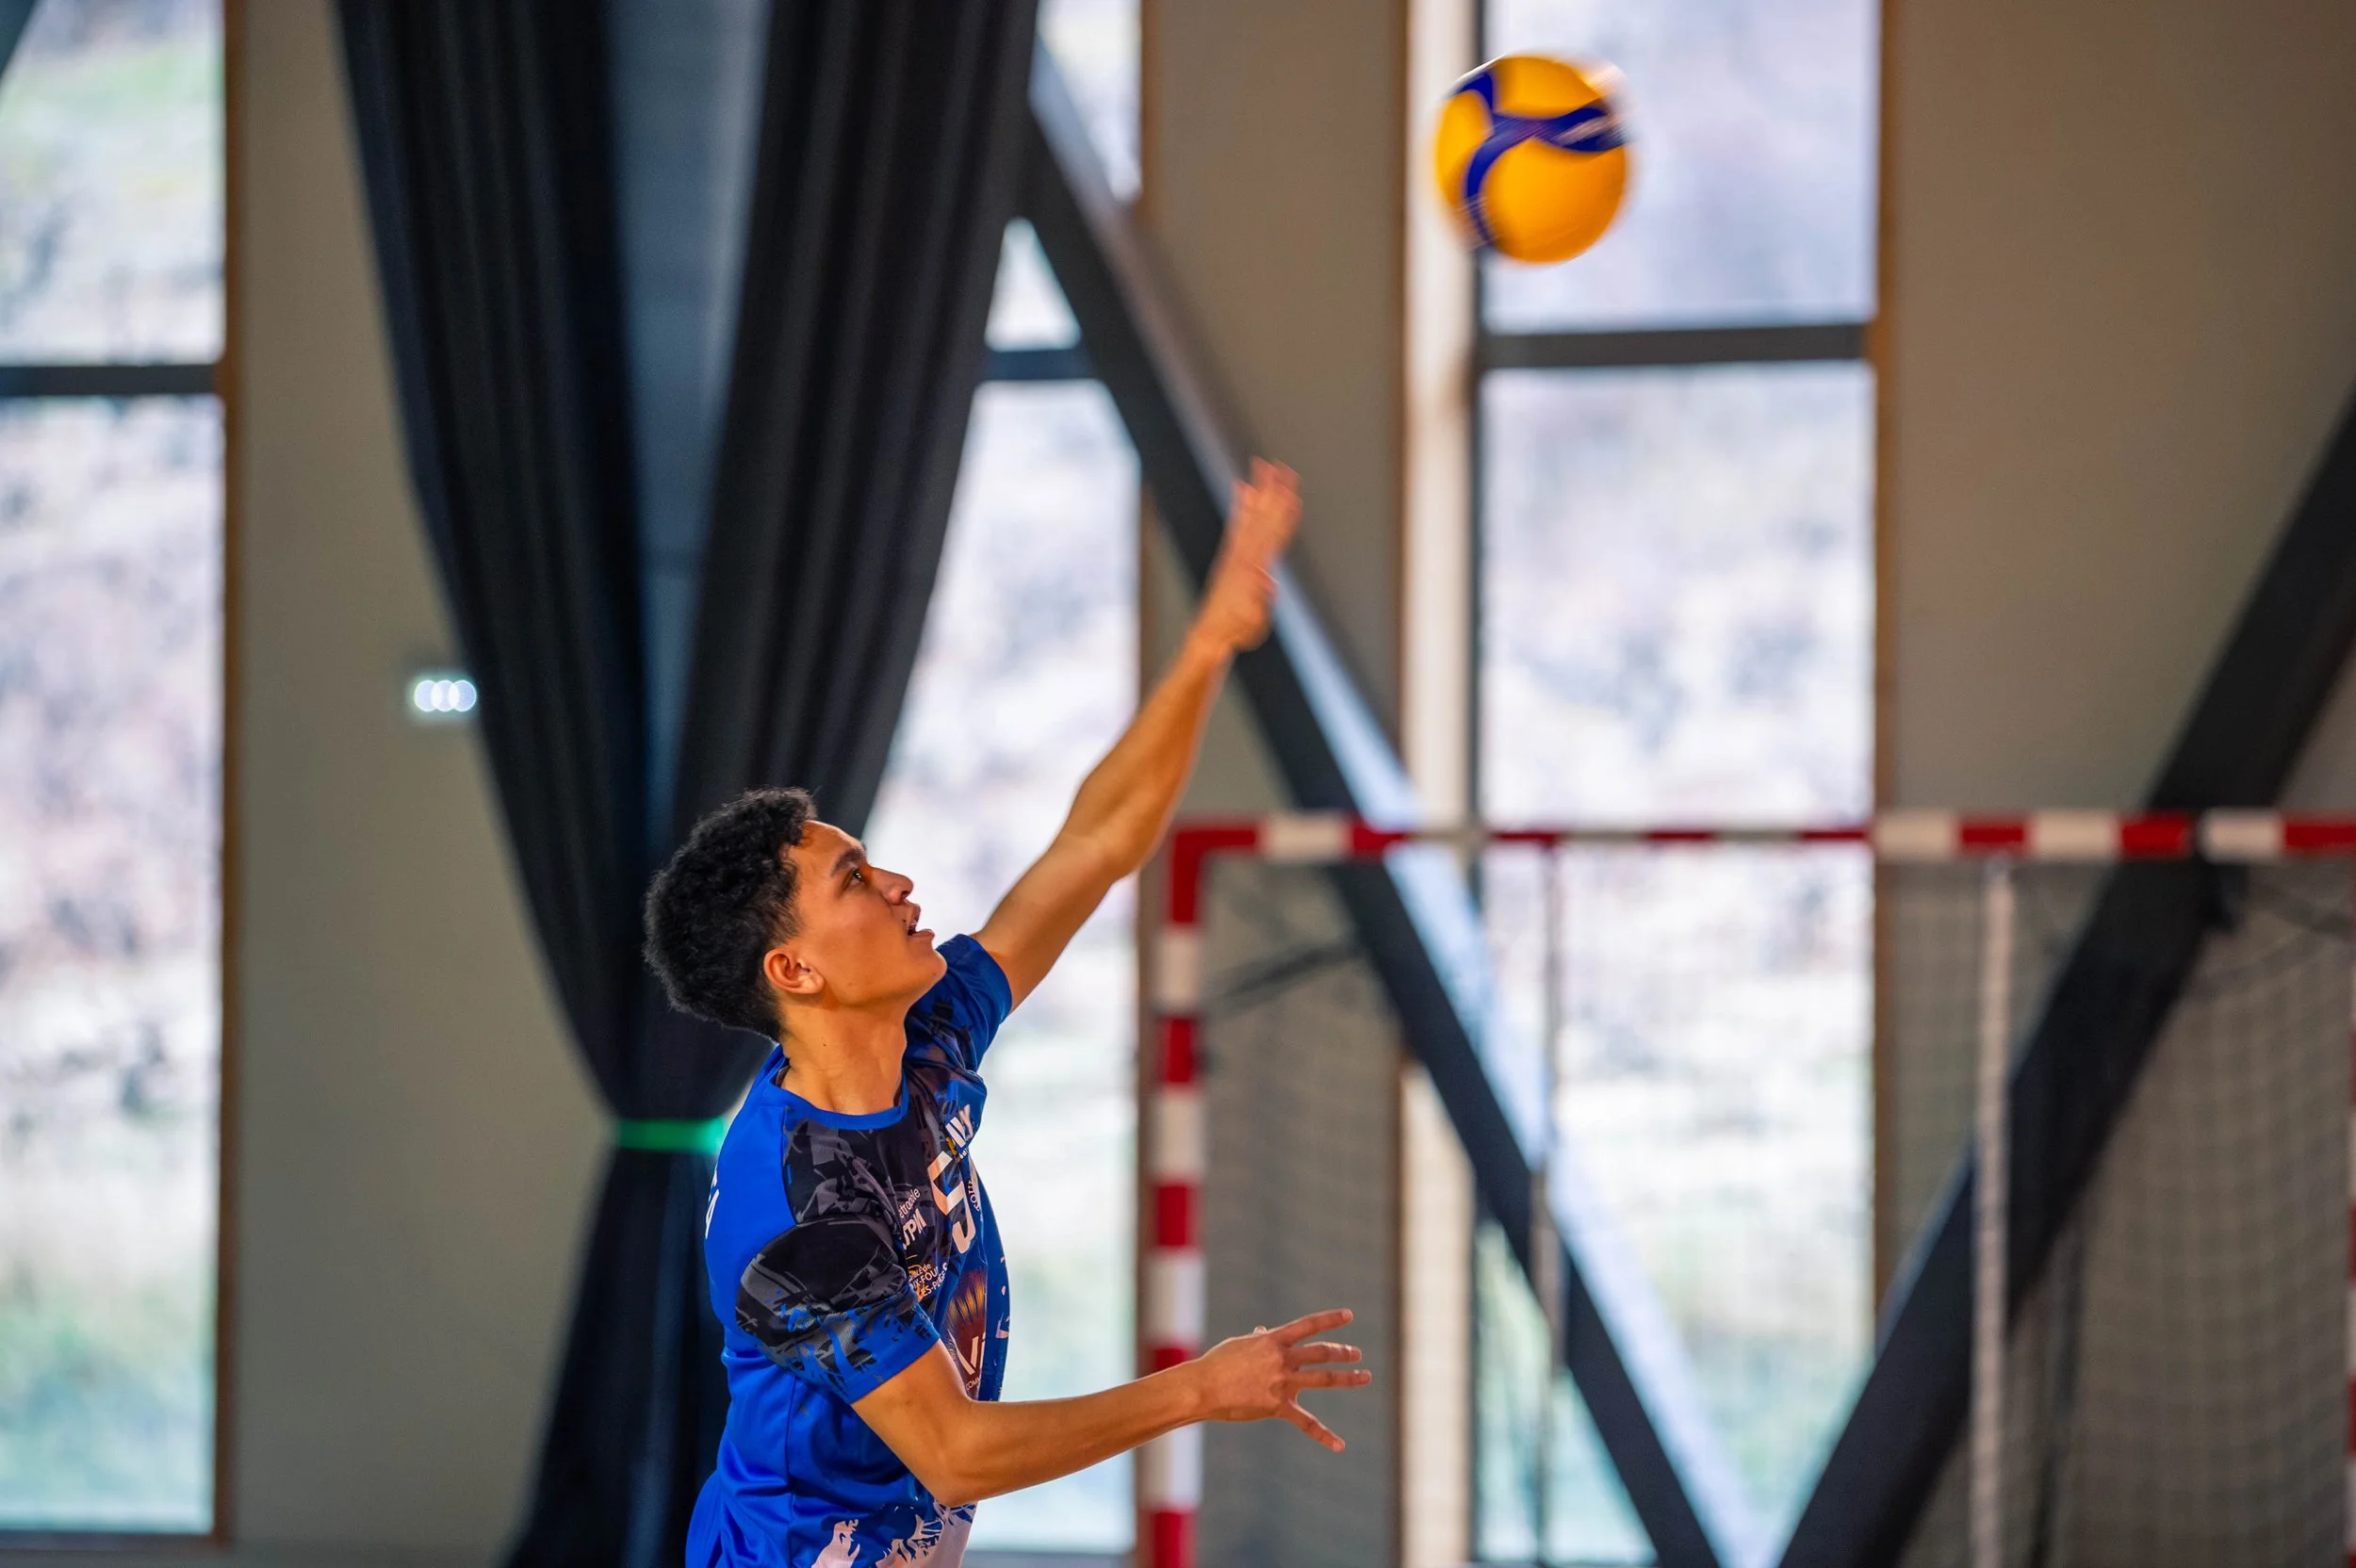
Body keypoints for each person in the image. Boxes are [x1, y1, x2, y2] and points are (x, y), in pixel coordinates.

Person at [644, 461, 1369, 1567]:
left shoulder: (928, 1030)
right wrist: (1201, 1386)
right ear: (794, 969)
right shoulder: (798, 1213)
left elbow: (1093, 844)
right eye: (853, 880)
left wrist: (1210, 641)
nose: (897, 883)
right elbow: (958, 1452)